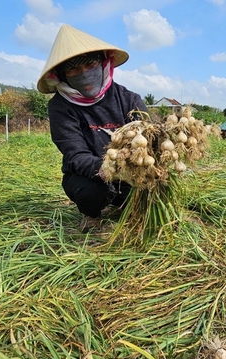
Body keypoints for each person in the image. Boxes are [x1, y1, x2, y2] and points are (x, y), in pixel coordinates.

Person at [37, 24, 147, 233]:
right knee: (91, 192)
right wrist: (107, 169)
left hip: (131, 173)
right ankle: (91, 215)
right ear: (62, 75)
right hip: (90, 176)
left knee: (150, 188)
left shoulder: (128, 99)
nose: (84, 74)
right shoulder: (60, 106)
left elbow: (148, 138)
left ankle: (127, 204)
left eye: (90, 65)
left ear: (104, 63)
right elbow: (75, 154)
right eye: (74, 69)